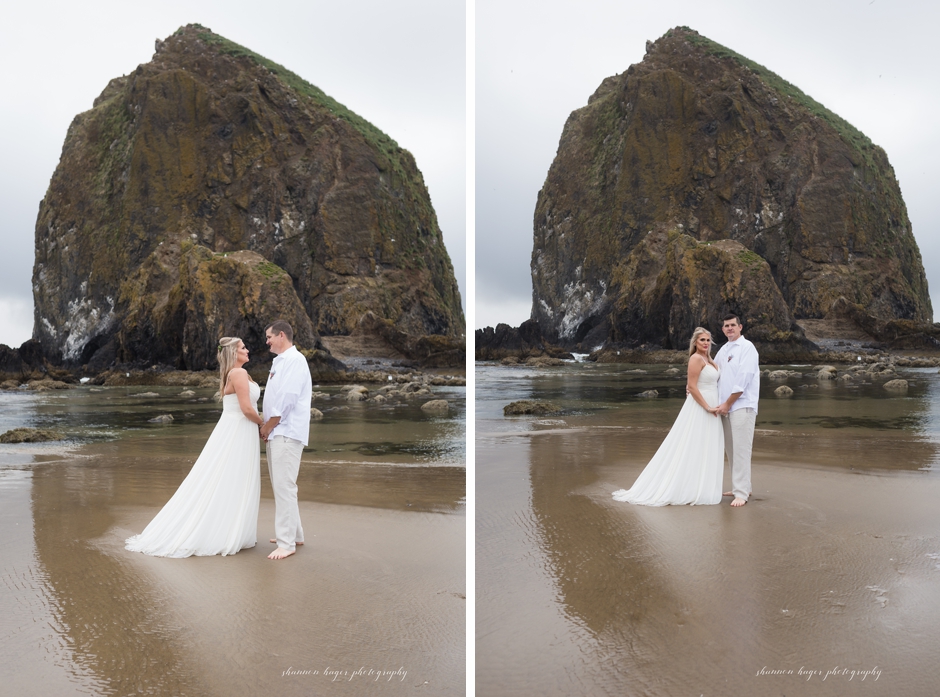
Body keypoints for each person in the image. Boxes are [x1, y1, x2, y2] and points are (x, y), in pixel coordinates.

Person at [126, 337, 264, 557]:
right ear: (233, 353)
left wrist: (257, 425)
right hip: (237, 430)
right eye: (243, 348)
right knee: (230, 476)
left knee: (232, 477)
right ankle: (223, 530)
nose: (248, 350)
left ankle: (232, 528)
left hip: (240, 429)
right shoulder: (237, 374)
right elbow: (247, 409)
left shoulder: (240, 373)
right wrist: (263, 425)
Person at [612, 327, 724, 506]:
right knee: (691, 444)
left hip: (712, 403)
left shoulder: (709, 360)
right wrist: (707, 407)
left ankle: (701, 485)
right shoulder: (695, 359)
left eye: (708, 340)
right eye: (702, 340)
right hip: (701, 406)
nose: (705, 343)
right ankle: (687, 487)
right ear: (695, 342)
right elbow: (692, 386)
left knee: (706, 444)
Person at [260, 320, 312, 560]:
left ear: (282, 335)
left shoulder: (294, 360)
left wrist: (269, 426)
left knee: (284, 487)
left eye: (269, 337)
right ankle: (295, 534)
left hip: (286, 431)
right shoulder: (282, 361)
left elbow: (288, 398)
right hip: (279, 432)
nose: (267, 341)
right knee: (284, 486)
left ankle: (286, 543)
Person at [714, 313, 760, 507]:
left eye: (733, 325)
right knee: (731, 450)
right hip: (725, 407)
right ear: (723, 329)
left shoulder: (747, 348)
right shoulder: (723, 350)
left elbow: (743, 379)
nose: (730, 328)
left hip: (742, 405)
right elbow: (713, 372)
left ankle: (741, 493)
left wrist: (727, 404)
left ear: (740, 327)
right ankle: (740, 486)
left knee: (741, 449)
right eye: (726, 326)